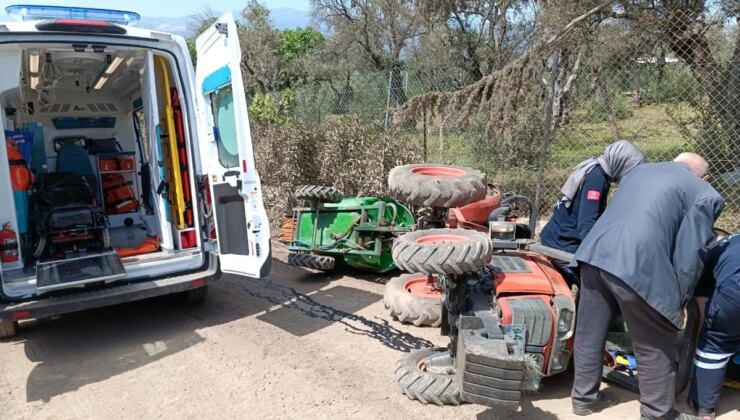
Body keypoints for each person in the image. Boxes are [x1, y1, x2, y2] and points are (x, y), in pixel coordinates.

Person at [570, 152, 724, 419]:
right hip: (638, 263)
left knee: (588, 332)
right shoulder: (706, 193)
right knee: (655, 341)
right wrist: (680, 298)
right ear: (704, 175)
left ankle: (583, 399)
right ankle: (657, 413)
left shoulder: (639, 172)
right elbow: (690, 253)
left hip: (594, 253)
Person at [540, 140, 645, 286]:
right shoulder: (596, 179)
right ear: (621, 164)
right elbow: (586, 223)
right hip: (563, 243)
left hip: (559, 238)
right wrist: (601, 255)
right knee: (596, 288)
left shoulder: (597, 170)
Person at [687, 232, 740, 420]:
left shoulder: (712, 253)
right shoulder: (734, 241)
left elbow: (701, 303)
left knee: (715, 343)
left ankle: (704, 406)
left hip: (736, 287)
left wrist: (703, 335)